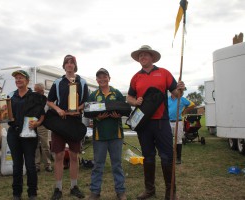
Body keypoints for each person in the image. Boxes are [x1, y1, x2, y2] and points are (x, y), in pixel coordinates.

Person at [126, 45, 185, 200]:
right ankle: (149, 190)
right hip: (143, 124)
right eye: (140, 56)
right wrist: (135, 101)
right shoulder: (136, 77)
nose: (142, 57)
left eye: (145, 55)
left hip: (161, 122)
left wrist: (181, 89)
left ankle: (170, 192)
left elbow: (176, 94)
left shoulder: (164, 73)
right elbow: (129, 98)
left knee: (167, 157)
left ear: (152, 57)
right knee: (148, 156)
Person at [47, 55, 88, 200]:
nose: (69, 65)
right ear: (64, 66)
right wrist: (58, 109)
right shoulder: (58, 82)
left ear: (75, 66)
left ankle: (74, 187)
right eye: (67, 62)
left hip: (75, 123)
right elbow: (49, 101)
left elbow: (86, 102)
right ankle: (58, 188)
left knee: (73, 156)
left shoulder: (82, 82)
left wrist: (78, 108)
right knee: (58, 156)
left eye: (72, 63)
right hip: (59, 122)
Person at [87, 68, 127, 200]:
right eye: (99, 77)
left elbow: (124, 109)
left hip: (116, 135)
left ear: (109, 78)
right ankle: (95, 191)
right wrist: (98, 118)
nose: (102, 79)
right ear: (97, 80)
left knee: (117, 164)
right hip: (100, 136)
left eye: (104, 77)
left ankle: (120, 191)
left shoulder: (116, 93)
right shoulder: (93, 95)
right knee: (98, 165)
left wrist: (118, 115)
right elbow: (89, 112)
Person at [7, 70, 46, 200]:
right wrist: (1, 112)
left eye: (21, 78)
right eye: (16, 78)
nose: (18, 80)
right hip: (13, 133)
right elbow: (7, 115)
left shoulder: (35, 96)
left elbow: (42, 115)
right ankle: (16, 193)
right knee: (17, 165)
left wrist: (37, 123)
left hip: (29, 134)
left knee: (30, 164)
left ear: (27, 81)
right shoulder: (11, 96)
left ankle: (32, 193)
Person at [168, 93, 195, 164]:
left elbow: (192, 105)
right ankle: (170, 157)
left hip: (178, 122)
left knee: (178, 140)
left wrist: (185, 111)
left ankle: (178, 158)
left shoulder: (182, 99)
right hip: (168, 122)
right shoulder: (167, 99)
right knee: (168, 140)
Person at [34, 83, 53, 173]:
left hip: (43, 125)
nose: (35, 92)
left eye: (37, 91)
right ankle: (36, 165)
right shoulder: (32, 99)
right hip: (33, 124)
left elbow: (47, 112)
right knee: (35, 145)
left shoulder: (47, 100)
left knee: (45, 145)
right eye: (35, 90)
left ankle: (48, 164)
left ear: (42, 91)